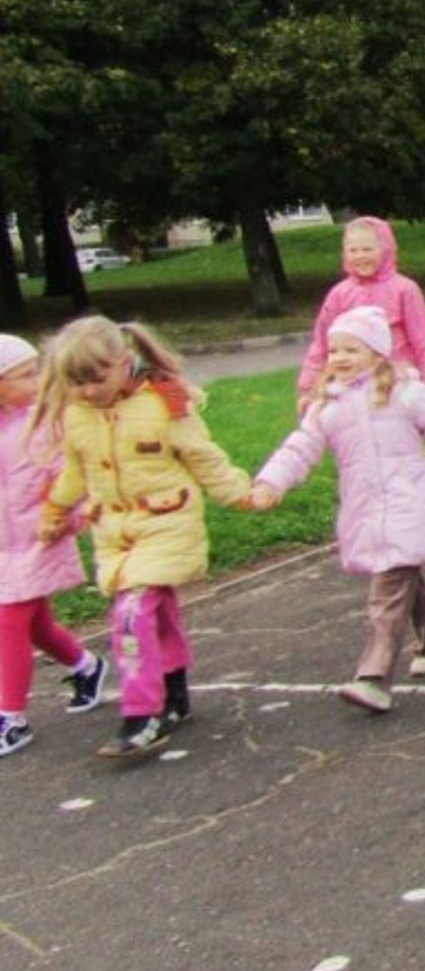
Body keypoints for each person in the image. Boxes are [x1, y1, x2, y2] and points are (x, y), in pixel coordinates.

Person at [252, 306, 425, 713]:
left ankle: (374, 676)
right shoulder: (327, 404)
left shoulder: (404, 392)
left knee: (387, 586)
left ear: (378, 352)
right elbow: (301, 448)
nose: (340, 358)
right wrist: (270, 481)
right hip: (367, 507)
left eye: (352, 349)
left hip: (410, 503)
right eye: (334, 351)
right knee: (401, 574)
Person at [34, 318, 254, 759]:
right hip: (115, 531)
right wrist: (57, 508)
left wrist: (241, 493)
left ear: (122, 362)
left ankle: (142, 712)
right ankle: (174, 695)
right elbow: (79, 471)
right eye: (76, 383)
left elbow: (203, 456)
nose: (88, 392)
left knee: (132, 614)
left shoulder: (162, 403)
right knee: (156, 610)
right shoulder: (77, 416)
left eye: (96, 380)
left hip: (166, 522)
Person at [0, 335, 105, 759]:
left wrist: (72, 517)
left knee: (8, 622)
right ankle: (86, 666)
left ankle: (10, 717)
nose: (38, 380)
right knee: (36, 624)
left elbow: (73, 476)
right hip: (5, 545)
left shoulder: (47, 424)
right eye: (25, 375)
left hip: (40, 537)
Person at [298, 217, 425, 411]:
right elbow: (322, 342)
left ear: (385, 250)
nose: (360, 256)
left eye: (367, 249)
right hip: (351, 383)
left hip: (397, 382)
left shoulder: (405, 289)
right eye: (353, 251)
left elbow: (424, 339)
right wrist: (308, 385)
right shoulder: (339, 294)